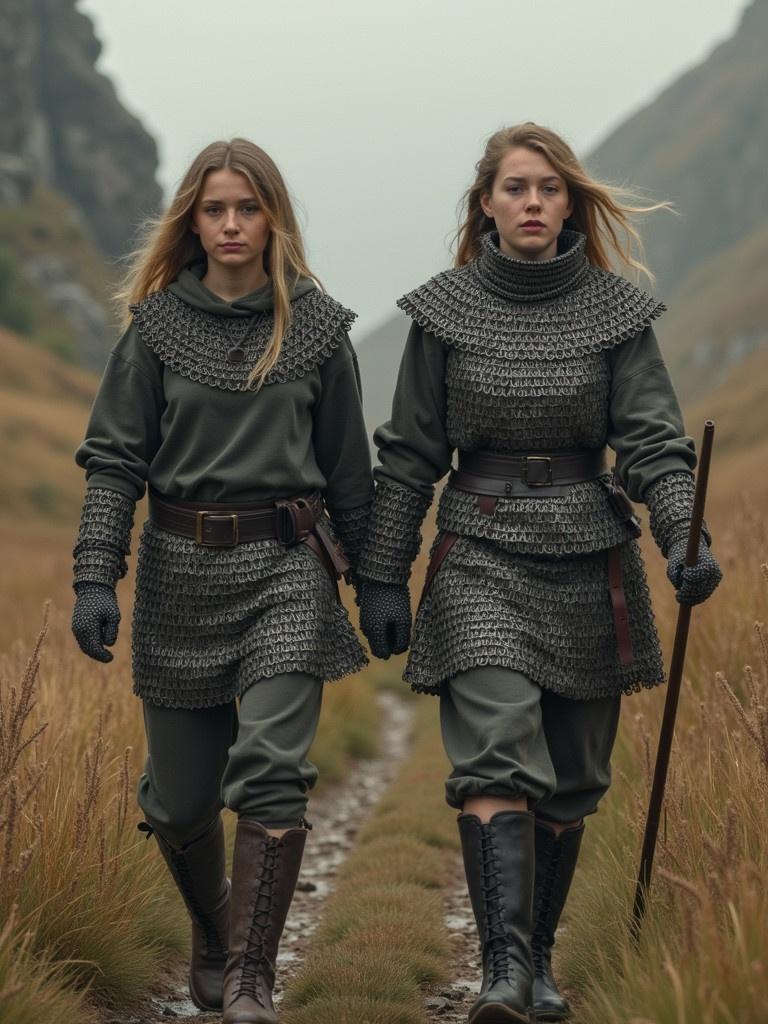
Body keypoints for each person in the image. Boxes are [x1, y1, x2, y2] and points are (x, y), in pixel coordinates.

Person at [357, 123, 721, 1024]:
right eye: (515, 188)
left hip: (589, 557)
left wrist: (682, 535)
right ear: (485, 202)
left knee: (572, 777)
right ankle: (504, 972)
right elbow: (407, 455)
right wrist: (380, 576)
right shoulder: (442, 311)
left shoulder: (615, 312)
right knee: (494, 750)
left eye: (549, 189)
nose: (531, 203)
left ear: (570, 205)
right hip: (478, 549)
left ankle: (543, 959)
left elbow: (652, 444)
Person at [71, 138, 372, 1024]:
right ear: (192, 221)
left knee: (272, 770)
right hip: (176, 579)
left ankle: (249, 979)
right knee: (179, 801)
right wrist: (97, 576)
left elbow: (349, 473)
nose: (233, 224)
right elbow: (114, 462)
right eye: (215, 209)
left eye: (248, 207)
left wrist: (381, 586)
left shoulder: (317, 327)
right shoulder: (155, 329)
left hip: (287, 569)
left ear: (273, 215)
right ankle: (212, 934)